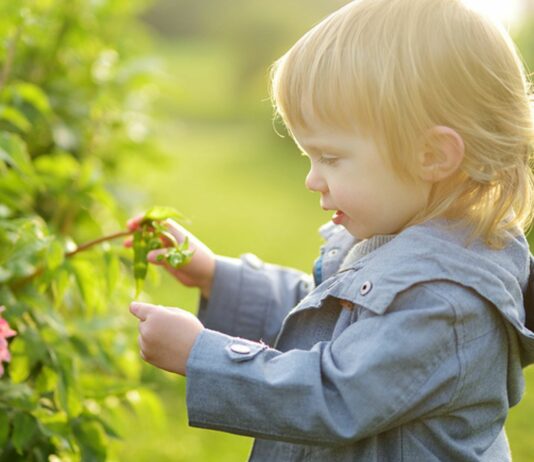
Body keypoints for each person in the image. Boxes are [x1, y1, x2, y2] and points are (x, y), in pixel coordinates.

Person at [127, 0, 534, 460]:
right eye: (309, 157)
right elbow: (331, 325)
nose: (312, 179)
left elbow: (331, 394)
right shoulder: (399, 241)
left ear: (434, 155)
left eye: (331, 158)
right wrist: (217, 277)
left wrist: (202, 356)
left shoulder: (445, 301)